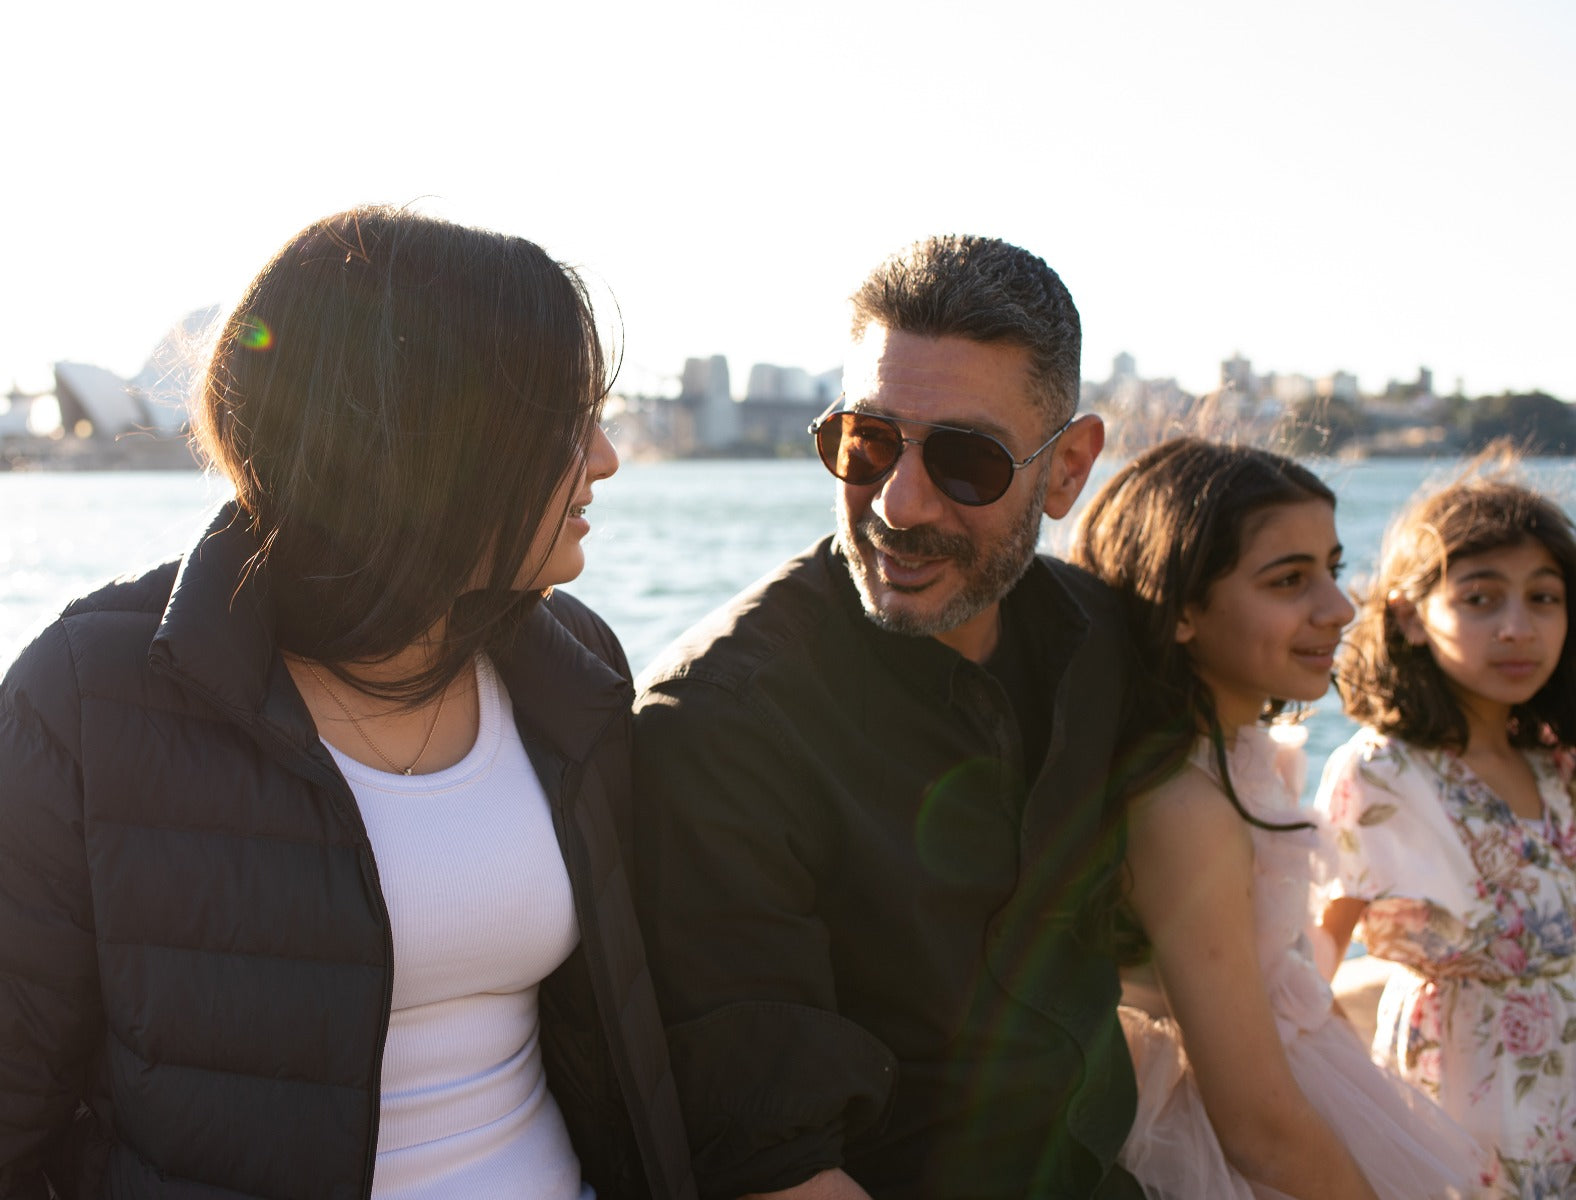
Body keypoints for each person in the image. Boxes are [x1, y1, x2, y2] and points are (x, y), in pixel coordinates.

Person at [0, 207, 695, 1200]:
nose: (605, 457)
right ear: (433, 439)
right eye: (566, 422)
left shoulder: (571, 664)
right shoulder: (85, 700)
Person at [632, 235, 1139, 1199]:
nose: (898, 504)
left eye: (965, 460)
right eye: (863, 443)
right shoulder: (721, 727)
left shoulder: (1097, 641)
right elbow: (777, 1166)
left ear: (1067, 469)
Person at [1069, 437, 1471, 1200]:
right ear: (1182, 608)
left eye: (1333, 568)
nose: (1339, 607)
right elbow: (1254, 1126)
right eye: (1290, 580)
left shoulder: (1239, 751)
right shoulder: (1186, 804)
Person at [1314, 461, 1576, 1197]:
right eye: (1481, 598)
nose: (1517, 627)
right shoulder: (1382, 775)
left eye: (1544, 598)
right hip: (1460, 1117)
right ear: (1408, 615)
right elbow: (1306, 977)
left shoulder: (1558, 762)